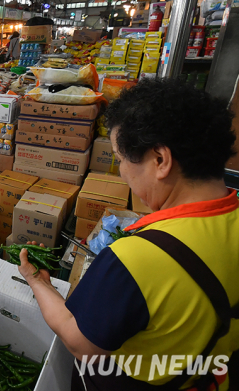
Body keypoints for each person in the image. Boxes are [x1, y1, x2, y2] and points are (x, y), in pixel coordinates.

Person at [17, 78, 238, 391]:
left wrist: (36, 281)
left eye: (120, 159)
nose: (121, 172)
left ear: (160, 160)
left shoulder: (137, 259)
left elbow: (80, 342)